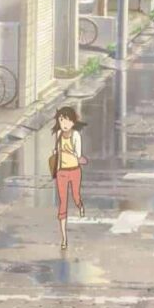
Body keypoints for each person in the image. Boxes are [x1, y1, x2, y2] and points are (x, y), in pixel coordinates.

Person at [51, 106, 88, 251]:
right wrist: (55, 152)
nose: (64, 124)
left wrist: (68, 151)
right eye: (61, 120)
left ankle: (80, 205)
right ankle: (64, 239)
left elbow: (78, 154)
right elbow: (55, 150)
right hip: (62, 172)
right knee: (63, 203)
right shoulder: (59, 134)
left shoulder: (76, 135)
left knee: (75, 195)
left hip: (74, 170)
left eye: (66, 120)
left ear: (73, 122)